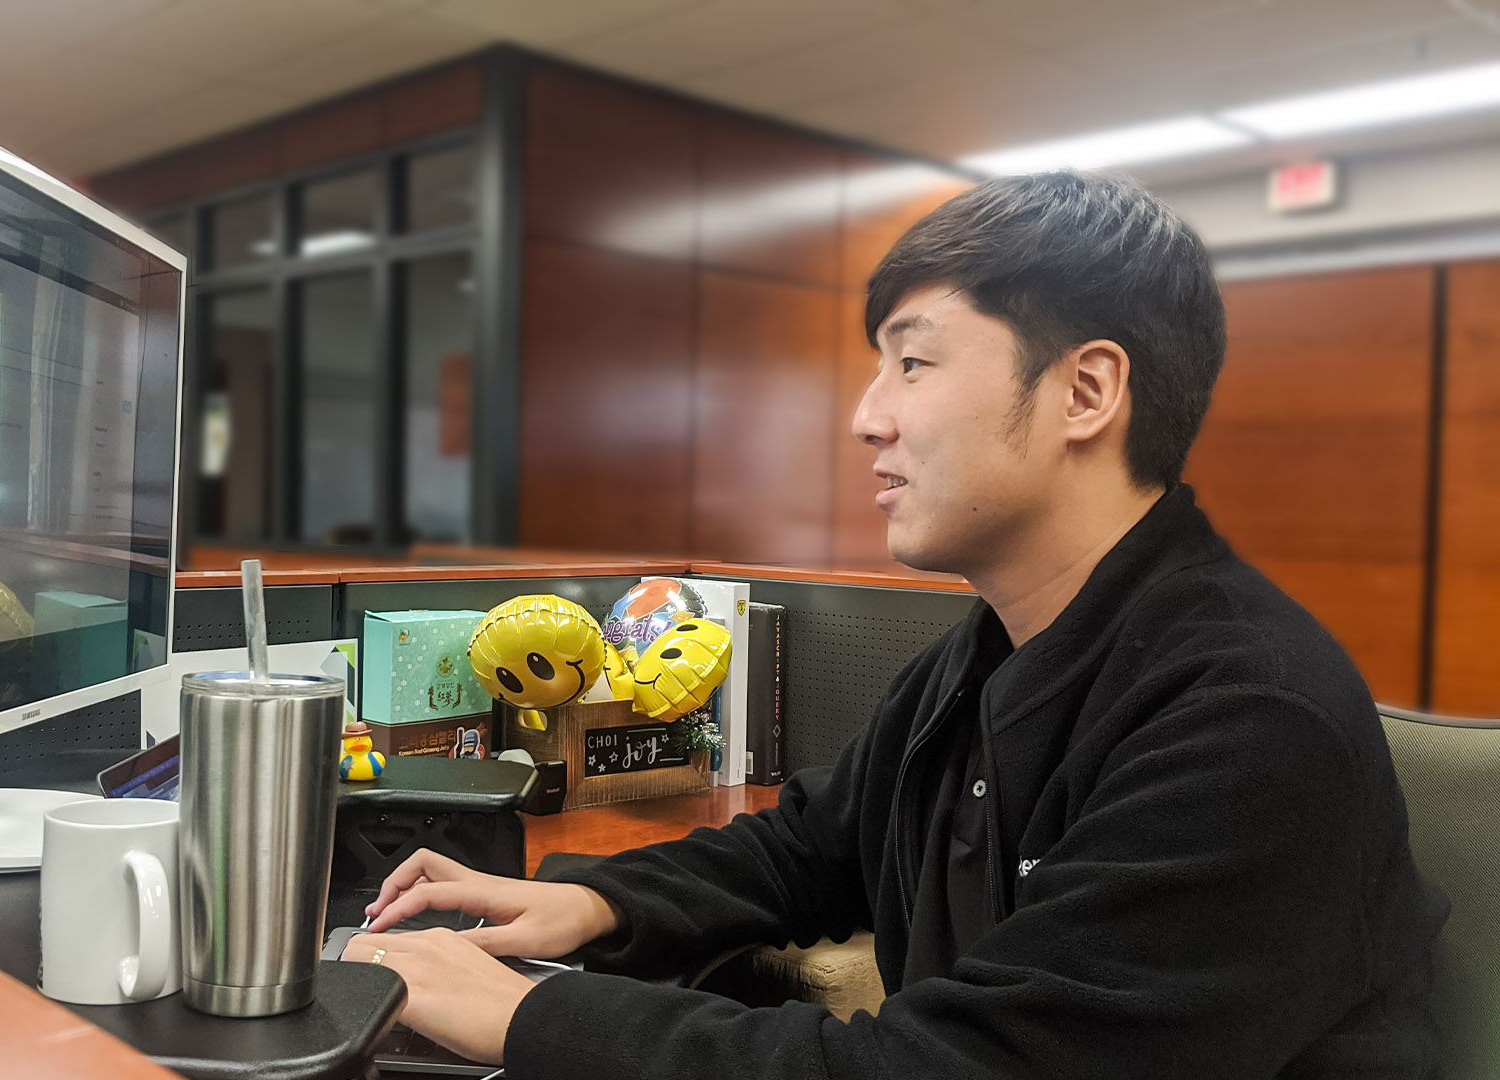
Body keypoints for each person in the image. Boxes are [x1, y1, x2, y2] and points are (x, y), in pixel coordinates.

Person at [348, 171, 1448, 1078]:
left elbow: (965, 1069)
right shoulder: (985, 655)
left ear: (1085, 392)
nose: (867, 416)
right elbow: (812, 846)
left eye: (912, 362)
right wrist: (586, 899)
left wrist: (526, 1019)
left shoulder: (1245, 720)